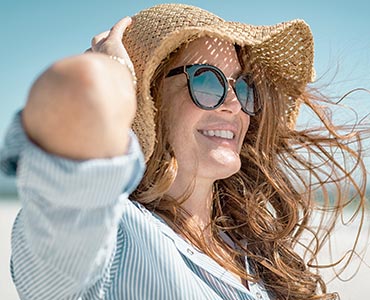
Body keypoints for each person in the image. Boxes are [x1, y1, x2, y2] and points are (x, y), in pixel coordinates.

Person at [0, 3, 368, 300]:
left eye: (243, 87)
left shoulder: (248, 247)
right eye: (207, 80)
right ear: (150, 98)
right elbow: (79, 87)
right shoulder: (108, 240)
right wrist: (113, 75)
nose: (233, 106)